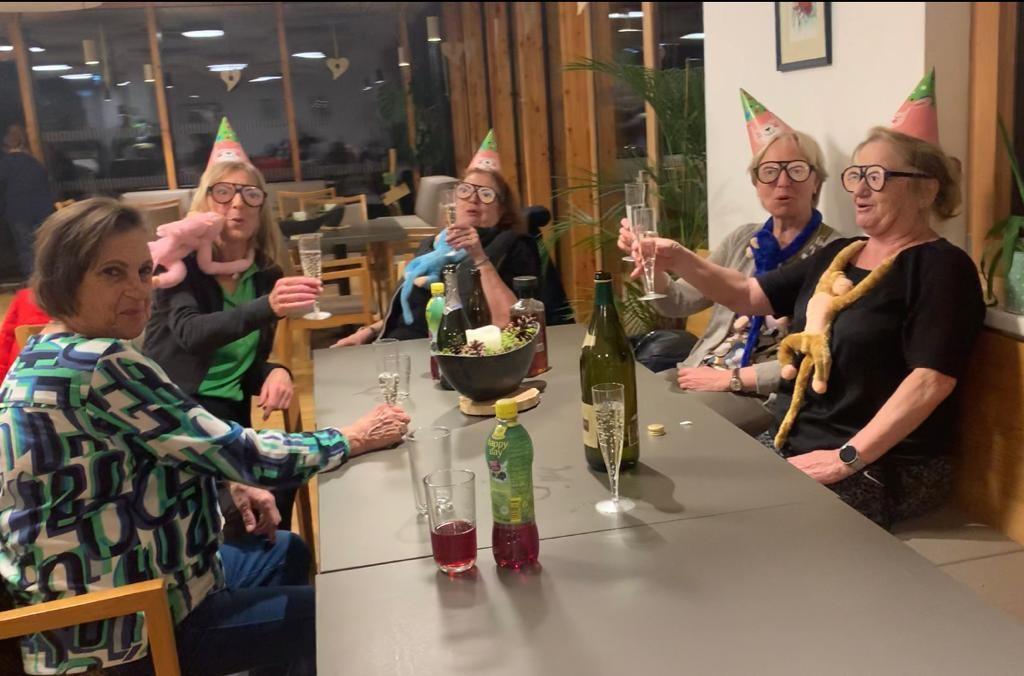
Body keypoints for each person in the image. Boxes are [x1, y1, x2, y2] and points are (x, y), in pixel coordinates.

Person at [0, 198, 410, 675]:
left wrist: (224, 478)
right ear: (62, 279)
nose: (137, 290)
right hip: (124, 631)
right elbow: (242, 452)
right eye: (112, 273)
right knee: (334, 616)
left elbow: (166, 446)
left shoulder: (44, 352)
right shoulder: (99, 364)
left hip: (101, 605)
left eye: (143, 271)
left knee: (285, 550)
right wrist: (351, 437)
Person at [619, 71, 984, 528]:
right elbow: (749, 294)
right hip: (797, 441)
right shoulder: (841, 253)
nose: (860, 189)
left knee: (732, 526)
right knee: (687, 497)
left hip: (885, 462)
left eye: (877, 177)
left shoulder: (941, 267)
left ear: (926, 189)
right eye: (856, 175)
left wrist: (848, 456)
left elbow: (930, 381)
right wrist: (676, 256)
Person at [144, 118, 322, 537]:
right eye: (223, 193)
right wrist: (268, 306)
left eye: (250, 194)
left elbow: (242, 363)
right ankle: (240, 565)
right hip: (178, 417)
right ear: (205, 204)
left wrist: (276, 371)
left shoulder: (264, 274)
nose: (237, 204)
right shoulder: (181, 269)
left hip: (230, 421)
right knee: (249, 507)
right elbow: (191, 334)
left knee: (288, 472)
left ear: (261, 210)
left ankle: (268, 563)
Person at [631, 90, 839, 435]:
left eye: (797, 170)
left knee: (675, 429)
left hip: (760, 391)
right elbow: (678, 302)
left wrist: (730, 379)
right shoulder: (743, 238)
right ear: (756, 182)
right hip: (701, 368)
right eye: (769, 171)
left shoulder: (834, 252)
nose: (782, 181)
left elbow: (819, 353)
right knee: (625, 403)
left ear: (816, 181)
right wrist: (653, 268)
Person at [334, 130, 541, 346]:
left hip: (454, 354)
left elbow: (514, 324)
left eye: (486, 194)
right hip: (394, 344)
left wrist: (479, 256)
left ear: (502, 209)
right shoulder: (433, 245)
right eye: (465, 190)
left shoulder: (514, 245)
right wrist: (367, 332)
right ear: (455, 199)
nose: (473, 198)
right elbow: (413, 309)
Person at [0, 124, 53, 280]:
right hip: (42, 211)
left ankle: (32, 281)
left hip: (18, 213)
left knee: (25, 247)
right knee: (43, 246)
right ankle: (47, 279)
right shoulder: (35, 162)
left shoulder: (5, 164)